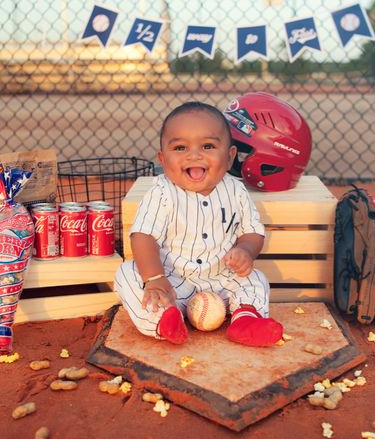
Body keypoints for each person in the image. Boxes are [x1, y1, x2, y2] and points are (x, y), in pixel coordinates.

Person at [115, 101, 283, 346]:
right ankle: (163, 320)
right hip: (171, 283)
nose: (194, 155)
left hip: (224, 281)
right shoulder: (162, 191)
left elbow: (252, 232)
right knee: (126, 273)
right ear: (163, 159)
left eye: (207, 145)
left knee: (256, 278)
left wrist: (246, 251)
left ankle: (245, 319)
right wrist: (154, 279)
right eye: (180, 147)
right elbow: (142, 236)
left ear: (229, 156)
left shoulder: (235, 190)